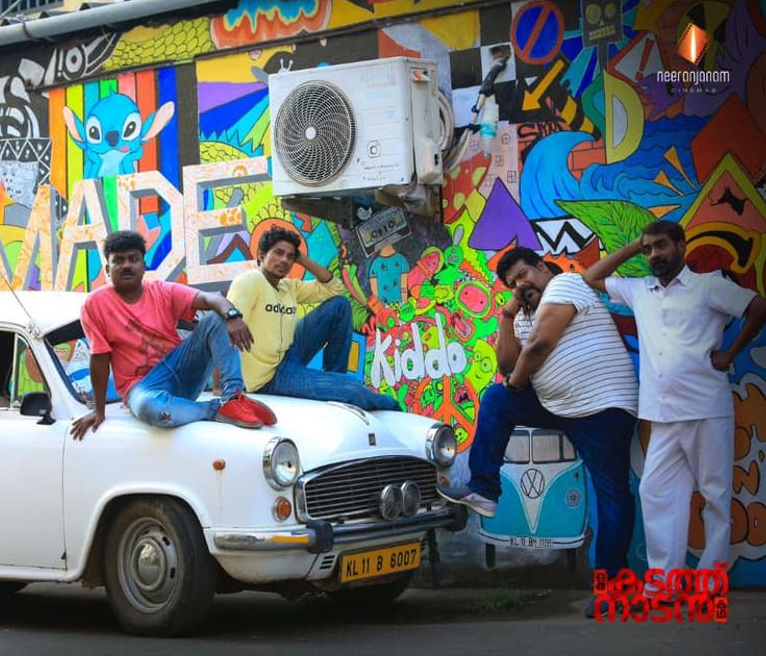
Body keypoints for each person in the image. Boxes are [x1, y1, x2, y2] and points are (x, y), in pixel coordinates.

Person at [438, 247, 639, 616]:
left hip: (602, 406)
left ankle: (614, 590)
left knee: (611, 494)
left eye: (523, 274)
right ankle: (484, 489)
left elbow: (540, 346)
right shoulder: (524, 315)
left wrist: (517, 381)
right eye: (512, 283)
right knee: (497, 399)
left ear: (542, 267)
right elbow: (507, 365)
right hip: (557, 406)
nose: (519, 285)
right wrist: (506, 315)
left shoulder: (566, 284)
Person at [583, 220, 766, 594]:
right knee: (655, 493)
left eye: (661, 246)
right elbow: (591, 277)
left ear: (682, 246)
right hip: (661, 414)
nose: (655, 254)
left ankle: (710, 582)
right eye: (649, 249)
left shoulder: (708, 286)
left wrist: (731, 353)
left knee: (715, 496)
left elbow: (758, 307)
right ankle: (664, 583)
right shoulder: (640, 290)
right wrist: (634, 246)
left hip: (706, 408)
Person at [71, 230, 275, 439]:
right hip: (143, 388)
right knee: (148, 408)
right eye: (118, 260)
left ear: (144, 265)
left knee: (217, 316)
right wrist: (99, 410)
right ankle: (216, 409)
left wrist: (233, 316)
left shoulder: (161, 291)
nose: (126, 265)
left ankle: (234, 398)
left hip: (181, 370)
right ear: (107, 268)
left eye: (133, 259)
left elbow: (209, 299)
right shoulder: (95, 304)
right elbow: (100, 357)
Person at [226, 226, 399, 411]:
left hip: (288, 354)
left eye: (290, 256)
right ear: (261, 255)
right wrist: (226, 386)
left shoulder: (288, 287)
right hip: (270, 377)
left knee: (340, 305)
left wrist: (302, 259)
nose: (284, 260)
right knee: (353, 389)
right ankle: (391, 406)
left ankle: (335, 377)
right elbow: (225, 330)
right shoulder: (248, 282)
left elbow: (335, 288)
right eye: (278, 253)